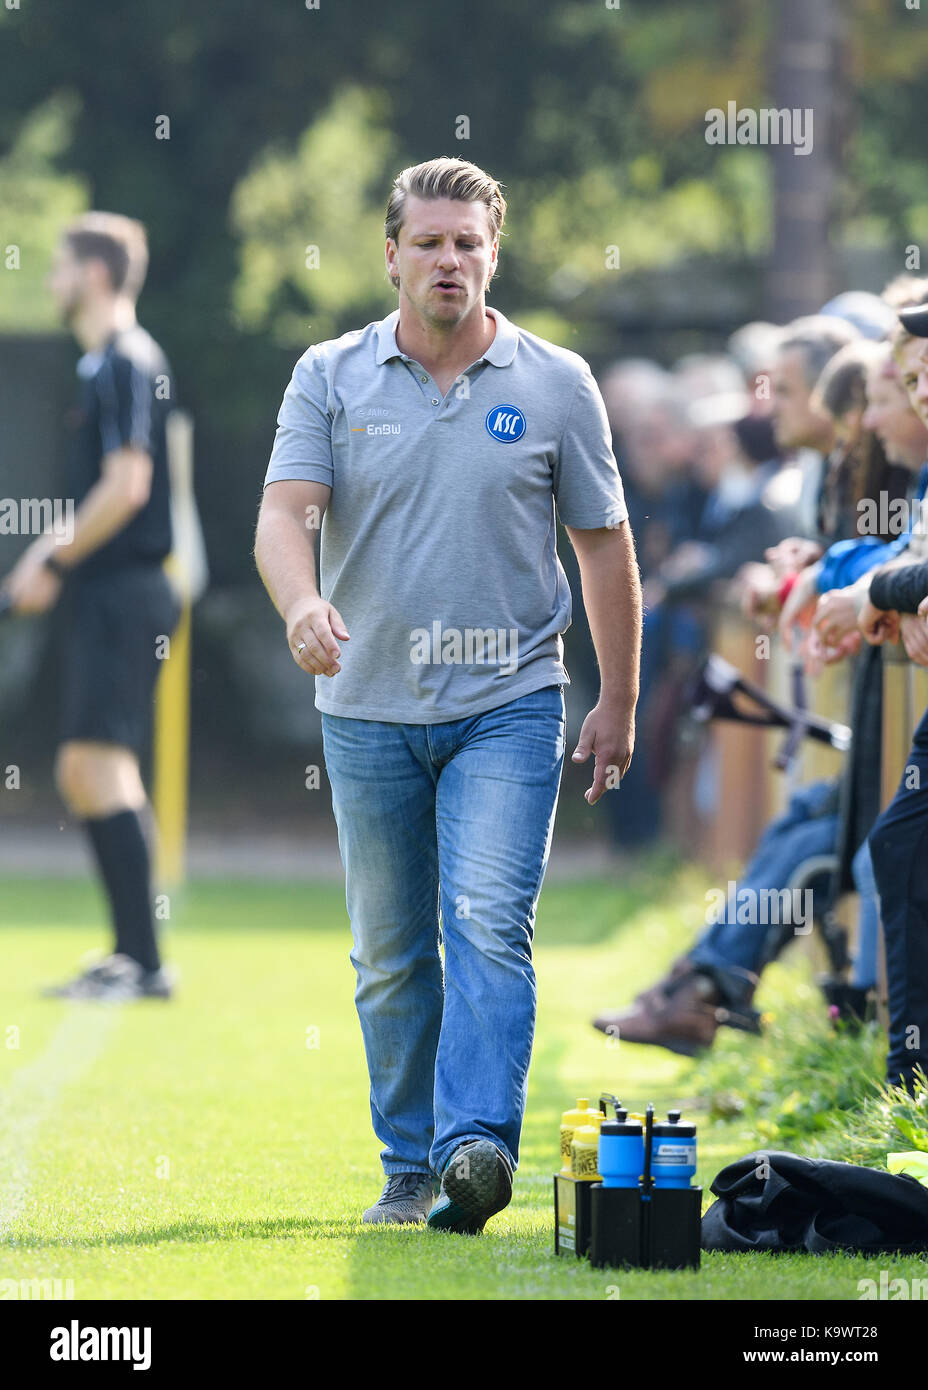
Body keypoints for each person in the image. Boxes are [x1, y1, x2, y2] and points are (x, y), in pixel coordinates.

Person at [254, 157, 641, 1232]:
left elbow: (604, 547)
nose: (448, 260)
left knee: (484, 918)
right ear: (390, 255)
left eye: (467, 242)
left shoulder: (556, 380)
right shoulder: (330, 375)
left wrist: (616, 697)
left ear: (492, 254)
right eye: (427, 241)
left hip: (511, 698)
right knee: (388, 950)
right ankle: (409, 1167)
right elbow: (285, 516)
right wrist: (299, 606)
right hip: (368, 706)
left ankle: (475, 1146)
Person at [0, 212, 181, 1001]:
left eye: (61, 266)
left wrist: (50, 553)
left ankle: (143, 964)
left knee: (101, 766)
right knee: (83, 767)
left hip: (127, 592)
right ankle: (129, 954)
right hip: (102, 592)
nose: (51, 280)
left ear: (97, 274)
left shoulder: (126, 362)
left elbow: (128, 484)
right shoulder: (97, 367)